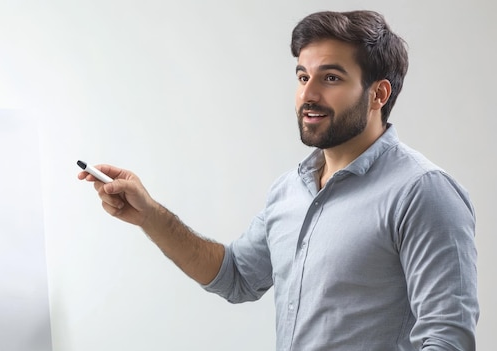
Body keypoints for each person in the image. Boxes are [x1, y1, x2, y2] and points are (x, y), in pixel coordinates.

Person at [78, 10, 479, 351]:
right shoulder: (290, 190)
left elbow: (448, 338)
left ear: (378, 94)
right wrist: (150, 215)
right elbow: (235, 276)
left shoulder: (422, 191)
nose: (309, 94)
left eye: (331, 78)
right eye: (303, 77)